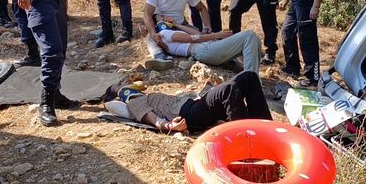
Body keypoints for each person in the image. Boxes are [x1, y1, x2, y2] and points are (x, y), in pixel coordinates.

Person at [105, 71, 272, 133]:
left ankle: (268, 129)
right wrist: (168, 126)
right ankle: (247, 141)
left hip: (195, 105)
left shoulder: (149, 96)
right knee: (229, 89)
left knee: (249, 77)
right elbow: (152, 118)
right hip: (188, 114)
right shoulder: (135, 101)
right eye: (121, 85)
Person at [144, 0, 212, 71]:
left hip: (180, 25)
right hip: (161, 25)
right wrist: (153, 33)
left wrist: (207, 27)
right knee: (152, 38)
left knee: (200, 36)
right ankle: (160, 57)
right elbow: (147, 14)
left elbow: (202, 8)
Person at [157, 21, 262, 73]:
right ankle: (251, 81)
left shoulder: (169, 33)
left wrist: (176, 24)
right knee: (249, 35)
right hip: (201, 49)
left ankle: (252, 78)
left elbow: (196, 33)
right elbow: (192, 38)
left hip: (204, 47)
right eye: (162, 17)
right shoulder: (164, 33)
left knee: (254, 39)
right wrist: (217, 35)